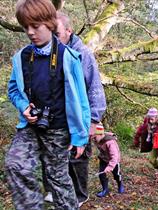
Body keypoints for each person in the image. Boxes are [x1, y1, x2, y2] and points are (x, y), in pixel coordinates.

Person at [4, 0, 90, 209]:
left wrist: (81, 136)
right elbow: (13, 89)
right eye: (26, 27)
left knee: (58, 180)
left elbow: (81, 100)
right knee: (15, 165)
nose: (30, 32)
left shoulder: (68, 57)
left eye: (36, 26)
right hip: (31, 126)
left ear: (50, 23)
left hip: (59, 130)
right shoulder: (22, 57)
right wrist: (23, 106)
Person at [42, 11, 107, 207]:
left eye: (57, 32)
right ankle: (56, 192)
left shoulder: (82, 54)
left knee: (78, 159)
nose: (53, 37)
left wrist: (93, 122)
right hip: (56, 118)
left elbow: (95, 88)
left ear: (69, 31)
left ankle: (79, 196)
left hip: (81, 118)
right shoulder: (47, 52)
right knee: (55, 157)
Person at [91, 123, 125, 197]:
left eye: (94, 137)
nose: (93, 139)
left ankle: (120, 185)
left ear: (100, 134)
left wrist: (110, 167)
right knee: (102, 174)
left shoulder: (110, 142)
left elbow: (115, 156)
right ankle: (105, 190)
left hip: (114, 161)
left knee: (116, 175)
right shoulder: (98, 138)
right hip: (104, 159)